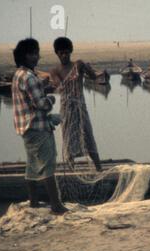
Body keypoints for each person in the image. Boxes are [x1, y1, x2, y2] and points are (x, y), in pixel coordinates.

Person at [11, 38, 68, 214]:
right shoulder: (29, 77)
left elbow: (30, 95)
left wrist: (43, 86)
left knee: (32, 165)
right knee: (48, 164)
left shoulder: (19, 74)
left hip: (26, 128)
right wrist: (50, 98)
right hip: (38, 127)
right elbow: (42, 104)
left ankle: (34, 202)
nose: (37, 56)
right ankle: (56, 206)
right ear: (26, 56)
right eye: (34, 53)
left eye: (37, 53)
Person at [50, 37, 102, 171]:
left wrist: (87, 68)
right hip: (67, 109)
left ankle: (99, 169)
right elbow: (58, 85)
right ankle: (71, 170)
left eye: (67, 52)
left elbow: (94, 77)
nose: (64, 55)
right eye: (61, 53)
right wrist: (63, 81)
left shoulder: (78, 65)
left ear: (70, 51)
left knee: (88, 136)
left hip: (80, 107)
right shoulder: (55, 70)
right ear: (57, 53)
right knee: (68, 138)